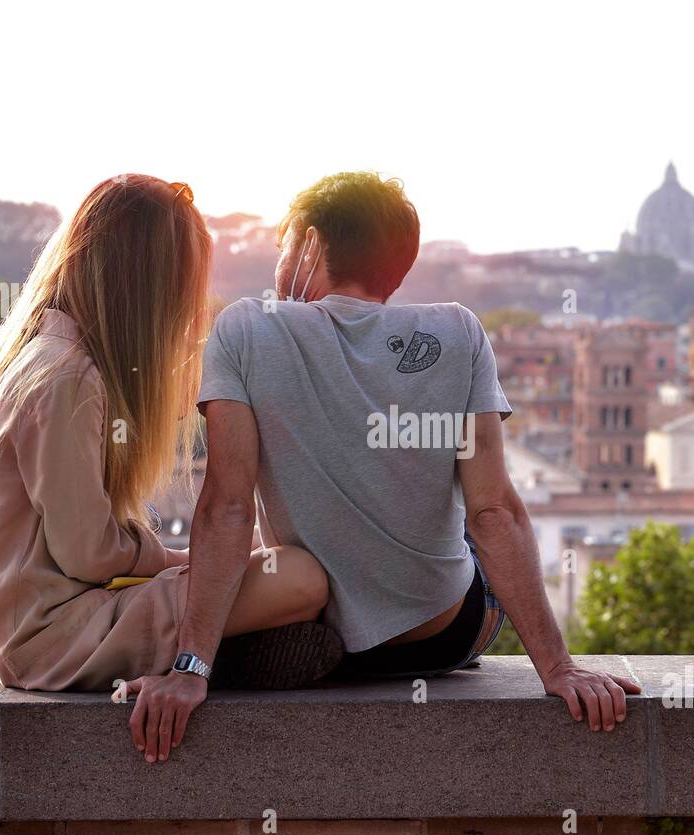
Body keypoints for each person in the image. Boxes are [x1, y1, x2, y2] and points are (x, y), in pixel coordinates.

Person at [124, 172, 640, 761]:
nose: (279, 266)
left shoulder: (245, 330)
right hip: (440, 632)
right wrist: (559, 667)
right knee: (466, 547)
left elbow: (227, 506)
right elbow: (494, 510)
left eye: (284, 248)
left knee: (283, 576)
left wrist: (191, 669)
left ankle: (265, 647)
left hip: (316, 618)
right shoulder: (458, 332)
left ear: (310, 245)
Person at [0, 174, 333, 707]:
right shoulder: (66, 377)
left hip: (46, 630)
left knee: (273, 571)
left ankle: (220, 647)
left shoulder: (39, 357)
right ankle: (215, 652)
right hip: (60, 640)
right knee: (301, 576)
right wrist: (185, 561)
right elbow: (90, 554)